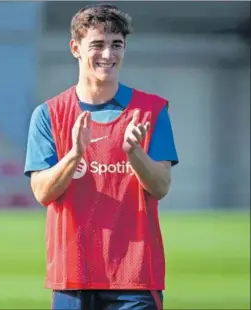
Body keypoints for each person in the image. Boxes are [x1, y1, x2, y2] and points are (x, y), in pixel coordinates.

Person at [24, 4, 179, 310]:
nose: (108, 55)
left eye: (116, 45)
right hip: (72, 277)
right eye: (97, 44)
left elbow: (160, 187)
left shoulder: (151, 111)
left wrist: (134, 153)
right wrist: (74, 155)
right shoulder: (48, 114)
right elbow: (42, 192)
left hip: (135, 279)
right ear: (76, 48)